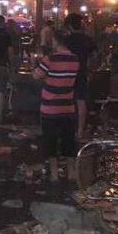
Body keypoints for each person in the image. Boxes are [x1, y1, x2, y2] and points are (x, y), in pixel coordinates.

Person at [33, 29, 80, 182]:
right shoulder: (75, 59)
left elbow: (36, 75)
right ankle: (71, 171)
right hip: (68, 107)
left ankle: (54, 173)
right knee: (69, 140)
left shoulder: (50, 59)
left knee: (50, 141)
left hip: (50, 108)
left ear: (56, 41)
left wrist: (37, 64)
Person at [64, 13, 95, 139]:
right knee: (81, 101)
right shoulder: (87, 39)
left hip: (66, 73)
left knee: (66, 101)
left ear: (69, 26)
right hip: (82, 72)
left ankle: (68, 129)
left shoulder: (67, 40)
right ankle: (80, 131)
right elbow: (94, 56)